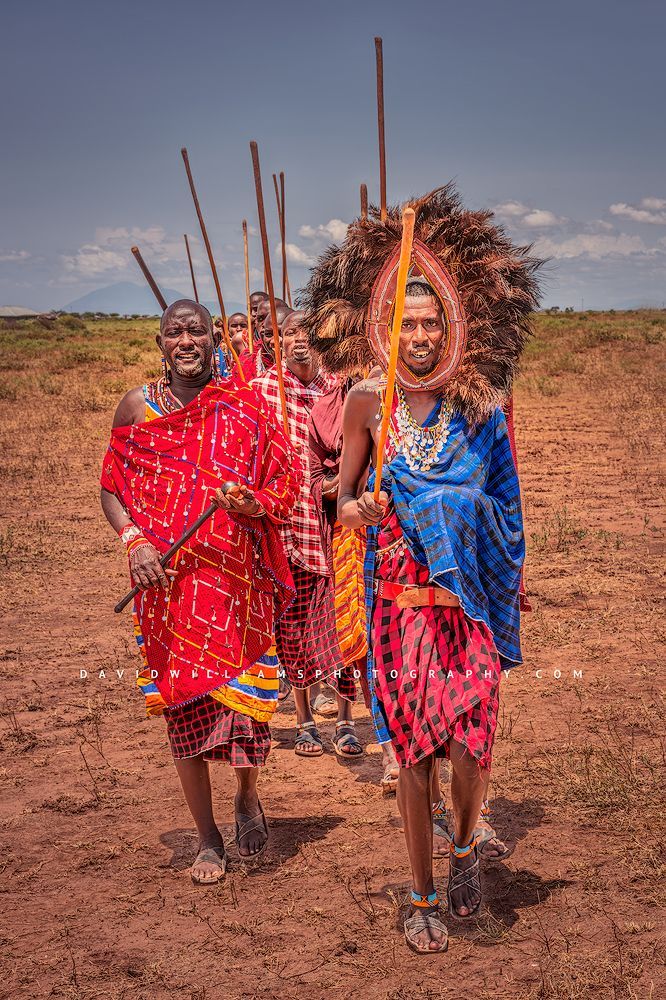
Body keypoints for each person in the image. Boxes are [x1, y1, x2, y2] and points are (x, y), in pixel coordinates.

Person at [301, 188, 540, 953]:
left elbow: (509, 511)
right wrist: (356, 512)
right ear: (385, 329)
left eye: (432, 321)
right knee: (413, 761)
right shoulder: (368, 405)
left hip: (465, 613)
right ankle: (421, 893)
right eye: (407, 324)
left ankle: (466, 849)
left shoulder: (482, 409)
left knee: (469, 750)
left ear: (454, 326)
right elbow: (336, 504)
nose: (421, 336)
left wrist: (451, 514)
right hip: (400, 614)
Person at [100, 299, 300, 884]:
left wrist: (251, 502)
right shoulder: (137, 407)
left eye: (196, 330)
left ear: (216, 336)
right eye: (174, 332)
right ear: (160, 342)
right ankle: (207, 837)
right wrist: (134, 541)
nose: (185, 340)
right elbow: (112, 484)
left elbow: (286, 481)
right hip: (166, 583)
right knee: (183, 707)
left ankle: (245, 796)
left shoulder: (246, 403)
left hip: (236, 582)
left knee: (243, 710)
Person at [253, 311, 360, 759]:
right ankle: (304, 721)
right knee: (293, 626)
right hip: (284, 526)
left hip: (334, 523)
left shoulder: (340, 389)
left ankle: (347, 721)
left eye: (307, 332)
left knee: (341, 621)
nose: (299, 340)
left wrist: (342, 482)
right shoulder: (262, 391)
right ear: (275, 340)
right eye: (290, 332)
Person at [308, 375, 400, 792]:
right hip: (366, 537)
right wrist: (353, 503)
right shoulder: (356, 397)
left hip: (430, 539)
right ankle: (391, 752)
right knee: (370, 649)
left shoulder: (452, 389)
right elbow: (339, 483)